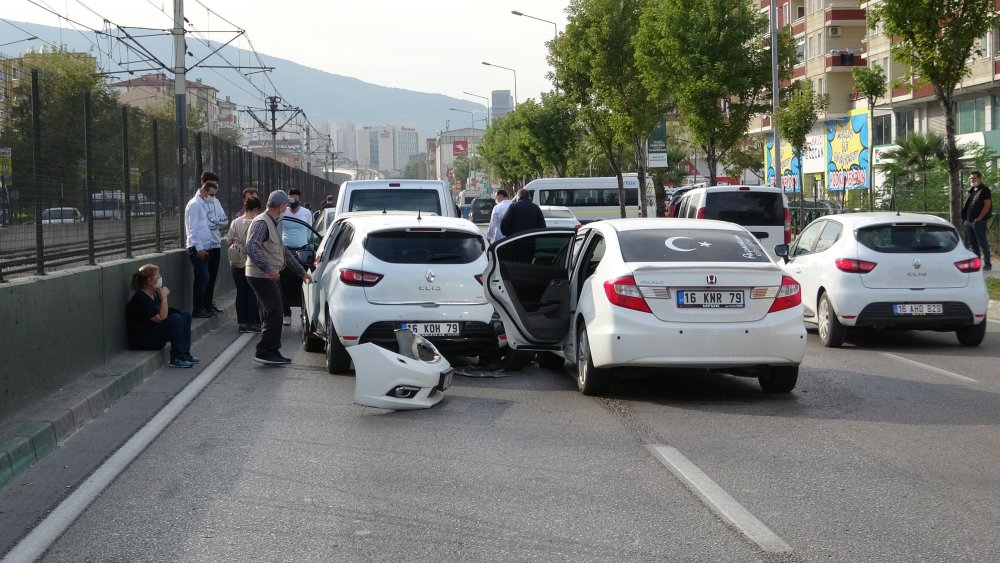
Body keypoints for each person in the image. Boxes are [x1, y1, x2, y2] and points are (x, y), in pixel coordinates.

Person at [246, 190, 312, 365]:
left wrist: (301, 272)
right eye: (286, 205)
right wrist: (268, 269)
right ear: (281, 205)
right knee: (276, 312)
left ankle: (272, 350)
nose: (287, 207)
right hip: (261, 275)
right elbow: (251, 247)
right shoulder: (262, 222)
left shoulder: (273, 222)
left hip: (267, 275)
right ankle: (265, 351)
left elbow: (285, 253)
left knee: (271, 312)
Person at [126, 264, 199, 368]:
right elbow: (161, 318)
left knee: (185, 315)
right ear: (149, 281)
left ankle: (184, 354)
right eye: (157, 276)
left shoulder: (154, 294)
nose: (160, 278)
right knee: (175, 319)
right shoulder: (140, 298)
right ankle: (176, 358)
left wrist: (178, 313)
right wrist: (164, 298)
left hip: (153, 332)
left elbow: (163, 311)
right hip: (144, 340)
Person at [278, 187, 313, 326]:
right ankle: (286, 313)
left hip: (302, 251)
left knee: (302, 280)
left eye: (295, 198)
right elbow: (279, 230)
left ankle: (303, 311)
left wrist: (305, 244)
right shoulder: (283, 212)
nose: (292, 201)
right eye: (290, 198)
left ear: (300, 199)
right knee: (284, 282)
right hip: (286, 250)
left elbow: (309, 232)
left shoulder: (306, 213)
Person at [227, 195, 262, 333]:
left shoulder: (235, 222)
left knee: (240, 292)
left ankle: (242, 323)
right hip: (252, 262)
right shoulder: (257, 223)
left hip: (236, 261)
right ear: (256, 209)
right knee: (252, 292)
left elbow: (229, 241)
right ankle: (253, 323)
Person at [184, 176, 218, 318]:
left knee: (204, 278)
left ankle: (202, 307)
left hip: (204, 247)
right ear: (203, 191)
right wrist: (199, 248)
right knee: (203, 277)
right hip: (197, 248)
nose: (213, 198)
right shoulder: (195, 205)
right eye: (211, 195)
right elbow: (193, 229)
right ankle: (198, 309)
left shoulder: (202, 204)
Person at [201, 171, 228, 314]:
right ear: (203, 183)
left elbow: (224, 220)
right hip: (204, 245)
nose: (214, 188)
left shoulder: (216, 201)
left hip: (216, 243)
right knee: (204, 277)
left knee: (212, 277)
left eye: (216, 185)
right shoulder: (199, 202)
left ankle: (209, 303)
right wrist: (215, 222)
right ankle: (202, 306)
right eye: (212, 184)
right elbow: (204, 223)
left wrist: (214, 221)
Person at [962, 170, 993, 271]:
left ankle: (987, 264)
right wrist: (965, 219)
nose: (972, 180)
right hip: (968, 221)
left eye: (974, 178)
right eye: (970, 178)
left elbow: (987, 205)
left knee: (982, 242)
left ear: (979, 178)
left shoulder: (984, 190)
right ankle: (977, 264)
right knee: (973, 244)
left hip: (979, 221)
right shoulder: (971, 190)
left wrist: (979, 219)